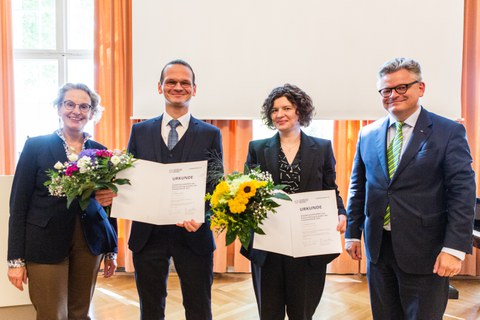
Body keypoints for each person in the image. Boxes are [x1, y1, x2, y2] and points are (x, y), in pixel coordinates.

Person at [345, 57, 476, 319]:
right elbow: (359, 187)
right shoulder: (367, 134)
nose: (393, 95)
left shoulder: (448, 131)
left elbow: (462, 192)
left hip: (426, 251)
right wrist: (352, 232)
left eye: (402, 87)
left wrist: (453, 248)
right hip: (378, 249)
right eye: (386, 90)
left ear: (421, 88)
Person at [7, 83, 118, 320]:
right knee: (51, 314)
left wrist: (111, 251)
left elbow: (108, 204)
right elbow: (18, 205)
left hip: (90, 242)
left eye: (84, 106)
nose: (76, 111)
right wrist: (15, 259)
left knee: (80, 313)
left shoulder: (101, 152)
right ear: (59, 108)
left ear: (91, 113)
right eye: (69, 104)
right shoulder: (35, 146)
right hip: (44, 242)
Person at [127, 59, 223, 320]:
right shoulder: (139, 131)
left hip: (193, 234)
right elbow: (129, 181)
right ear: (160, 87)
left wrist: (203, 216)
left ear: (194, 89)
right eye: (171, 81)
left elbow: (215, 185)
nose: (178, 86)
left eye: (185, 82)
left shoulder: (210, 134)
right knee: (150, 308)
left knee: (199, 308)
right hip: (148, 235)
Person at [241, 84, 347, 320]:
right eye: (275, 109)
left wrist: (341, 212)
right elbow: (246, 193)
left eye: (286, 108)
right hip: (268, 247)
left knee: (302, 314)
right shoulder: (257, 148)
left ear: (300, 111)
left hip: (308, 248)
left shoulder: (322, 148)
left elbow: (330, 189)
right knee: (269, 314)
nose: (280, 114)